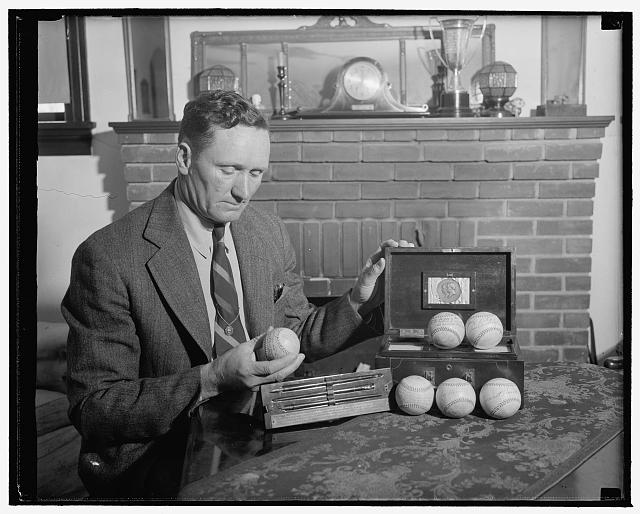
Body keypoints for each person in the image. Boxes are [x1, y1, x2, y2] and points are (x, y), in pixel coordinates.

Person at [62, 89, 413, 499]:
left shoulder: (265, 231)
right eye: (228, 170)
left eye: (256, 173)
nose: (244, 192)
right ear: (184, 158)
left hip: (260, 430)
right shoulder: (108, 256)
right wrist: (211, 379)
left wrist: (360, 299)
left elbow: (295, 332)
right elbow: (96, 408)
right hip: (162, 458)